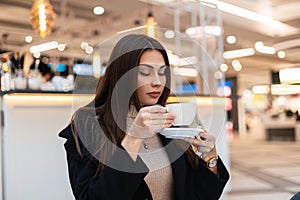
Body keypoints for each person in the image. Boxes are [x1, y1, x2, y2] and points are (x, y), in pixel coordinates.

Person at [59, 34, 229, 200]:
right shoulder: (87, 126)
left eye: (162, 72)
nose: (157, 81)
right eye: (145, 72)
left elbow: (198, 195)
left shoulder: (169, 123)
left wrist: (210, 159)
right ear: (121, 75)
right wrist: (134, 137)